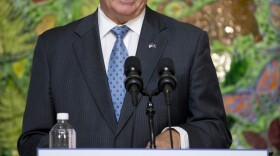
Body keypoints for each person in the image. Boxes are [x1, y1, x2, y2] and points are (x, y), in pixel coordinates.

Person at [17, 0, 232, 155]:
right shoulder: (53, 46)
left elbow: (216, 129)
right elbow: (31, 139)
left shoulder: (189, 42)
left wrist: (178, 136)